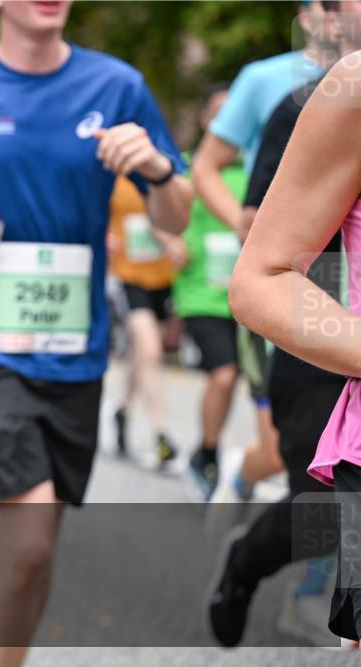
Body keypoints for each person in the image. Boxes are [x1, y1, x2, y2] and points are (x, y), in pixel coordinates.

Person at [0, 1, 190, 663]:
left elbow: (178, 213)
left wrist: (160, 170)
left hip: (73, 348)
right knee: (24, 543)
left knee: (38, 546)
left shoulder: (117, 86)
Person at [228, 52, 360, 647]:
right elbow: (260, 258)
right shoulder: (315, 94)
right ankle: (251, 567)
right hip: (320, 348)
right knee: (314, 506)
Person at [189, 0, 340, 500]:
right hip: (286, 281)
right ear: (309, 16)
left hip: (345, 285)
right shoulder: (267, 81)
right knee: (284, 451)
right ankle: (242, 480)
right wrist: (251, 230)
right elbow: (207, 166)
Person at [166, 86, 248, 501]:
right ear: (204, 121)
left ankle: (255, 463)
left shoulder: (257, 168)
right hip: (202, 295)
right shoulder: (186, 169)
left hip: (252, 298)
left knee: (252, 382)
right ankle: (209, 452)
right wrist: (168, 242)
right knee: (224, 372)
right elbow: (159, 216)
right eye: (219, 114)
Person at [106, 175, 179, 463]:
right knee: (150, 350)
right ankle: (161, 433)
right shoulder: (113, 177)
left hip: (164, 276)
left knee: (141, 356)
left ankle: (122, 411)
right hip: (129, 275)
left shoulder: (166, 172)